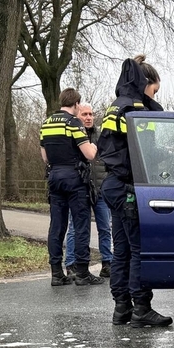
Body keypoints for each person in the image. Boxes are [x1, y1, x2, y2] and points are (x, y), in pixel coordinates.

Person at [97, 55, 172, 327]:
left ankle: (121, 309)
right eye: (154, 89)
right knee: (139, 249)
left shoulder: (115, 106)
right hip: (129, 187)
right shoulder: (135, 109)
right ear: (145, 83)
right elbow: (144, 151)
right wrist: (172, 156)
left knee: (122, 251)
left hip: (114, 185)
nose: (155, 95)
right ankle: (141, 307)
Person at [40, 88, 102, 286]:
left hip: (55, 178)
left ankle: (56, 274)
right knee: (81, 224)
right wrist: (94, 145)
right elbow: (89, 154)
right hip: (74, 178)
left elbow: (45, 157)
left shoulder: (46, 123)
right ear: (76, 105)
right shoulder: (73, 123)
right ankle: (83, 273)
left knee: (57, 226)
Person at [64, 103, 113, 279]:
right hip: (80, 190)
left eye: (91, 114)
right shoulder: (72, 134)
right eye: (84, 114)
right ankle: (71, 264)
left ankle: (107, 262)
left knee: (105, 227)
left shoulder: (102, 136)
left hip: (100, 189)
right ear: (77, 116)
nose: (88, 117)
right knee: (75, 229)